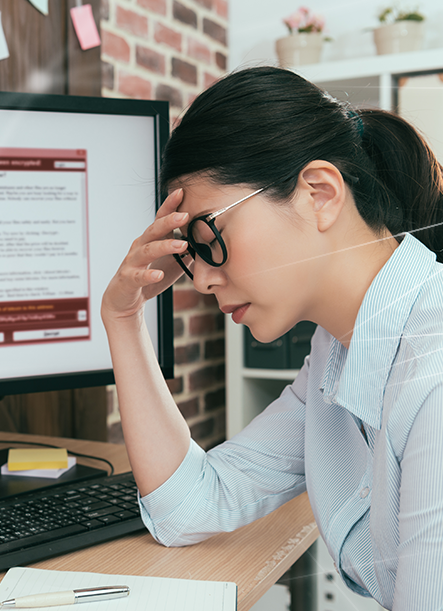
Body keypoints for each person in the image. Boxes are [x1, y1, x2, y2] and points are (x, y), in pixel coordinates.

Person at [100, 66, 443, 610]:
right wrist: (123, 318)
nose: (204, 280)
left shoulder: (434, 374)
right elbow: (190, 507)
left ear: (319, 193)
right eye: (188, 256)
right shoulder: (336, 354)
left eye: (209, 239)